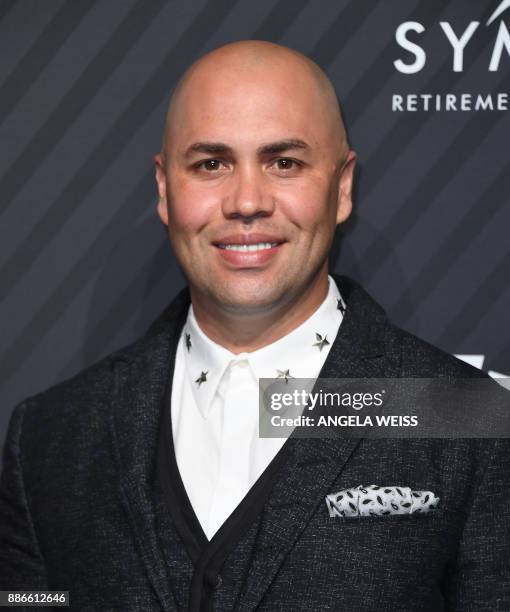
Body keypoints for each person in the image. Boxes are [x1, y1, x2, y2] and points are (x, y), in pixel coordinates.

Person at [0, 40, 509, 611]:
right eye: (211, 164)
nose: (246, 201)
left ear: (341, 188)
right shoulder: (51, 435)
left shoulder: (466, 417)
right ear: (166, 189)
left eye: (284, 162)